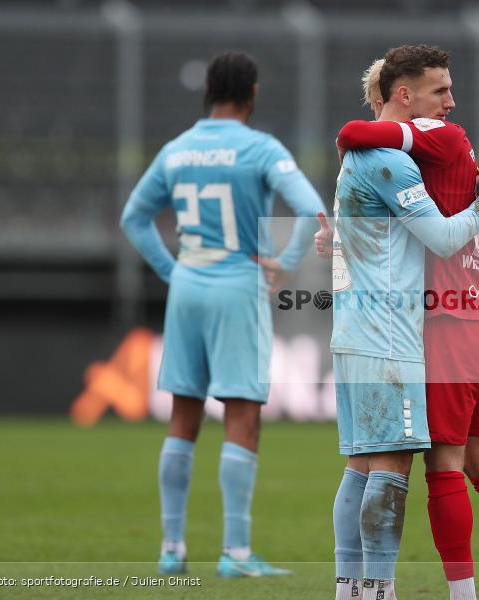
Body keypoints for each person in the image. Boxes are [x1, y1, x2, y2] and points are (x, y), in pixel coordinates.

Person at [332, 46, 479, 600]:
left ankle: (452, 595)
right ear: (402, 96)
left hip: (441, 318)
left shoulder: (418, 152)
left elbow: (357, 140)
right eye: (442, 92)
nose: (452, 104)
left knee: (427, 464)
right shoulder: (443, 144)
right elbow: (365, 137)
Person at [120, 50, 325, 577]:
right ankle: (235, 553)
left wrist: (172, 271)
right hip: (238, 283)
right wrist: (286, 263)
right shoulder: (260, 148)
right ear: (252, 94)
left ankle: (171, 548)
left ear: (207, 93)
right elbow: (310, 209)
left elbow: (135, 217)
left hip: (188, 283)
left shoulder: (177, 150)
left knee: (183, 415)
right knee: (242, 413)